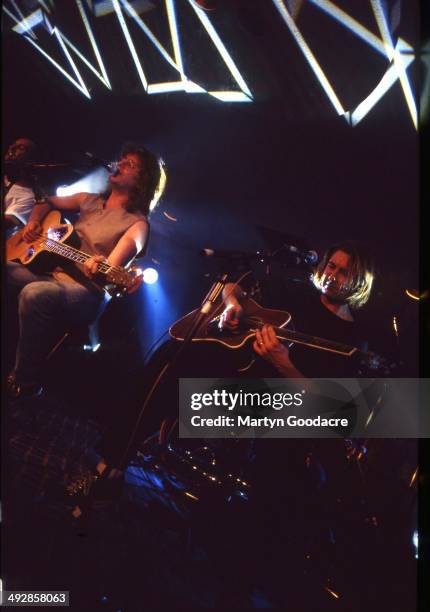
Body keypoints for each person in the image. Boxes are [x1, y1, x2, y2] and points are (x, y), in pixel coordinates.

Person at [7, 142, 165, 400]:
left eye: (131, 164)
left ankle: (25, 381)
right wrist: (34, 222)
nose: (120, 163)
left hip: (85, 291)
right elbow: (45, 201)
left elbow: (111, 267)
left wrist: (100, 266)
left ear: (142, 181)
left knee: (35, 293)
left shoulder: (138, 225)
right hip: (50, 271)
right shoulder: (88, 200)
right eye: (122, 159)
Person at [220, 242, 375, 379]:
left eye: (343, 273)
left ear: (360, 281)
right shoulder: (296, 291)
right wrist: (232, 305)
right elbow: (232, 288)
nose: (332, 276)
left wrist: (283, 363)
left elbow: (325, 401)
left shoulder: (354, 340)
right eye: (331, 266)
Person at [3, 137, 38, 229]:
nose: (12, 148)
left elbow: (8, 221)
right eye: (13, 144)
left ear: (30, 161)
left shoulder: (27, 196)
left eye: (21, 148)